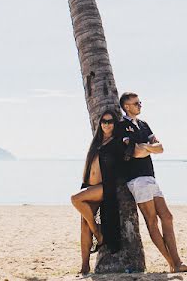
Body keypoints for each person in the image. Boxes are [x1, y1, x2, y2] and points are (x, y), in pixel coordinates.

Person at [117, 92, 187, 273]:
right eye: (136, 103)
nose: (140, 105)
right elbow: (135, 153)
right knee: (152, 222)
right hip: (137, 179)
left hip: (150, 177)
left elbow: (160, 148)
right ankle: (173, 263)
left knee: (167, 217)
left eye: (140, 102)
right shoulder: (122, 126)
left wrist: (145, 147)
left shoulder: (144, 125)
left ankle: (177, 262)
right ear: (127, 107)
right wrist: (148, 147)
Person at [70, 111, 122, 275]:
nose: (107, 124)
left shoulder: (116, 143)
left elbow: (127, 157)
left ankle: (98, 233)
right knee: (84, 226)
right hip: (88, 186)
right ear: (100, 124)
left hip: (103, 187)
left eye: (110, 121)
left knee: (75, 199)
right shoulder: (97, 142)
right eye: (104, 121)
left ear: (115, 124)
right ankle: (85, 266)